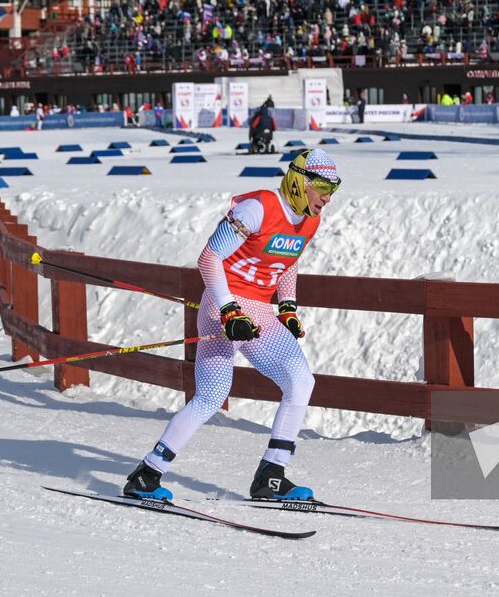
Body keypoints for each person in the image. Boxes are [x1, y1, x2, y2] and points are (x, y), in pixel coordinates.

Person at [124, 149, 342, 503]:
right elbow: (209, 258)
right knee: (246, 390)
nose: (327, 198)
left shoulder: (310, 220)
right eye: (321, 187)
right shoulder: (257, 208)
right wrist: (229, 311)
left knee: (275, 386)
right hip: (223, 305)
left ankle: (264, 475)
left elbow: (287, 261)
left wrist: (286, 306)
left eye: (334, 188)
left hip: (258, 312)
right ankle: (154, 475)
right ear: (300, 181)